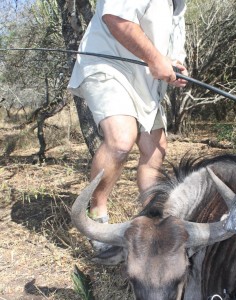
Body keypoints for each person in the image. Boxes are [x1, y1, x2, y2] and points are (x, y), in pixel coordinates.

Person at [68, 0, 188, 253]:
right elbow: (116, 19)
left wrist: (176, 67)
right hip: (107, 66)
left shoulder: (179, 7)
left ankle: (154, 220)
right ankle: (97, 216)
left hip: (145, 84)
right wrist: (156, 59)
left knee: (156, 149)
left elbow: (171, 53)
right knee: (121, 140)